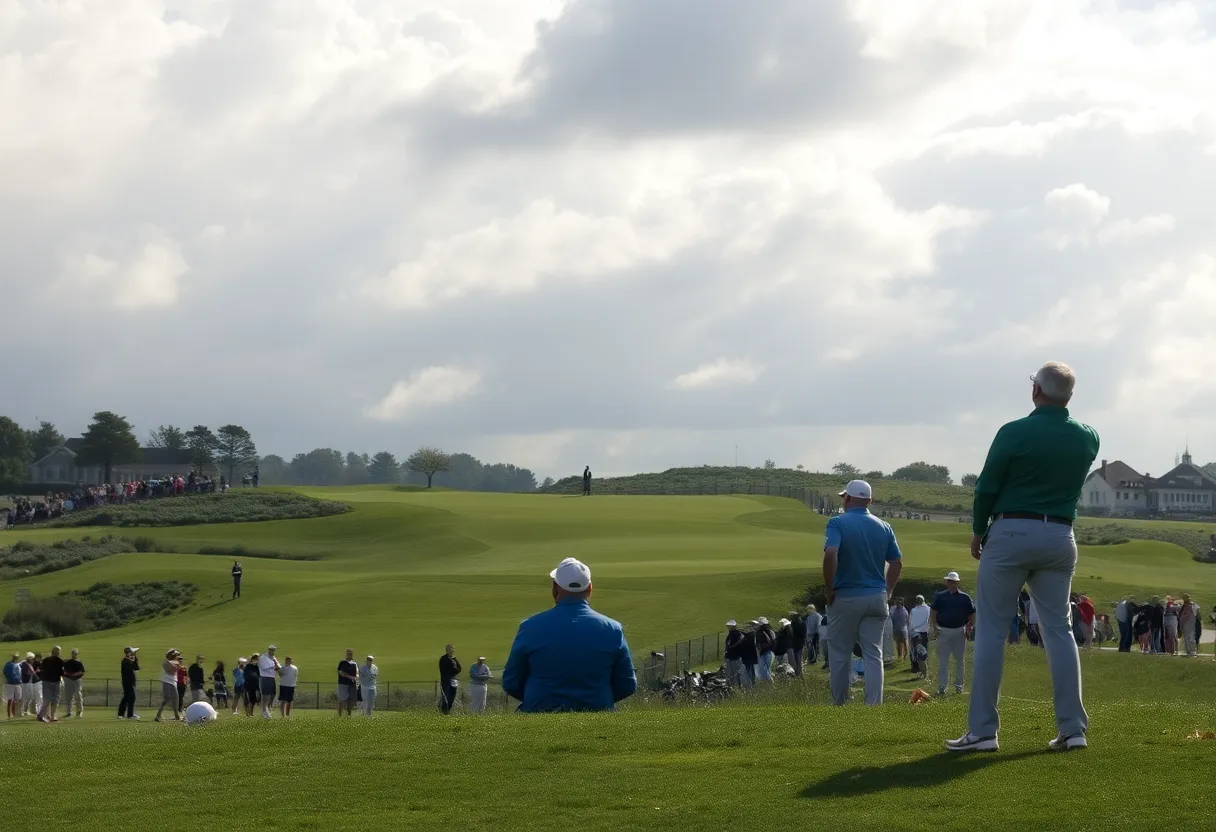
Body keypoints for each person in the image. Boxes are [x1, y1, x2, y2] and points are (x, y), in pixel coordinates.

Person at [949, 361, 1098, 754]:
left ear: (1036, 391)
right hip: (1060, 535)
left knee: (993, 631)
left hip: (1012, 531)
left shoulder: (1014, 432)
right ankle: (1072, 728)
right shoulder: (1088, 437)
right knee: (1059, 631)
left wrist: (978, 530)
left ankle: (982, 731)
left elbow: (986, 488)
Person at [502, 557, 637, 712]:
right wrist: (597, 703)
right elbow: (627, 684)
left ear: (555, 588)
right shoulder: (612, 629)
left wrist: (538, 700)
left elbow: (511, 682)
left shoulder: (530, 627)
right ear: (590, 588)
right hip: (597, 713)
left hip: (539, 713)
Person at [823, 480, 903, 706]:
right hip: (876, 597)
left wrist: (829, 589)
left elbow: (830, 554)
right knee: (873, 654)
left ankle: (840, 704)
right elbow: (896, 562)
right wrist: (888, 590)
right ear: (869, 501)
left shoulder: (837, 522)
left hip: (846, 596)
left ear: (847, 499)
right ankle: (873, 706)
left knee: (840, 653)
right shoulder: (884, 526)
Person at [931, 572, 975, 696]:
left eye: (953, 581)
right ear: (947, 582)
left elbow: (972, 613)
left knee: (959, 660)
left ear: (957, 582)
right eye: (949, 581)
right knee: (943, 661)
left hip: (959, 631)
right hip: (943, 631)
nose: (951, 583)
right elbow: (933, 611)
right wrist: (934, 626)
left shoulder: (965, 597)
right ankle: (942, 687)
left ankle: (959, 686)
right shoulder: (940, 596)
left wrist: (970, 626)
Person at [39, 645, 65, 723]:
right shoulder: (46, 660)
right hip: (47, 681)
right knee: (47, 700)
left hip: (56, 682)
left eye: (58, 650)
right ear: (53, 651)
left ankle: (52, 716)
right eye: (56, 650)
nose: (57, 652)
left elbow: (62, 672)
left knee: (55, 700)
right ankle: (42, 715)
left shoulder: (60, 661)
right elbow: (41, 669)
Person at [155, 649, 182, 722]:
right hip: (167, 682)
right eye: (177, 655)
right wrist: (177, 665)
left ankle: (177, 716)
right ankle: (158, 715)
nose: (178, 656)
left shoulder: (175, 662)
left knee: (175, 699)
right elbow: (172, 670)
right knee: (167, 698)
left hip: (173, 682)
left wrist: (178, 664)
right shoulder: (167, 663)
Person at [908, 596, 930, 675]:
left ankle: (922, 673)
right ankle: (922, 673)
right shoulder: (928, 609)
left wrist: (909, 634)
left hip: (915, 634)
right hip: (924, 634)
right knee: (923, 654)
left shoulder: (913, 610)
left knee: (918, 654)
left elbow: (911, 623)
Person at [258, 645, 281, 718]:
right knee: (266, 695)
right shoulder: (263, 657)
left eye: (274, 650)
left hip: (271, 678)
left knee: (272, 695)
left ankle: (267, 709)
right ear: (268, 650)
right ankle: (264, 711)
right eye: (271, 650)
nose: (272, 651)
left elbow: (278, 667)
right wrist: (274, 666)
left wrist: (275, 666)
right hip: (265, 677)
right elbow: (264, 667)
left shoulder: (274, 658)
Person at [118, 647, 140, 720]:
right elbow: (132, 666)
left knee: (127, 697)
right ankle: (130, 715)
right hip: (128, 682)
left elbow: (137, 667)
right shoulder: (125, 661)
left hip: (131, 682)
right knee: (131, 697)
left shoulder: (129, 660)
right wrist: (133, 658)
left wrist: (135, 658)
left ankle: (121, 714)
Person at [62, 648, 85, 718]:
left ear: (77, 654)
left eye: (75, 653)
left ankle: (79, 711)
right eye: (73, 653)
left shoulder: (79, 663)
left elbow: (82, 672)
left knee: (77, 695)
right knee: (69, 696)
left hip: (76, 680)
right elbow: (63, 671)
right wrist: (67, 675)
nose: (74, 654)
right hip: (68, 680)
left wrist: (74, 674)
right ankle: (69, 712)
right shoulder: (67, 662)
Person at [439, 645, 461, 714]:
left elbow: (459, 669)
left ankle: (447, 711)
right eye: (450, 649)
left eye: (453, 649)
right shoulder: (443, 659)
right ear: (447, 650)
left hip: (454, 679)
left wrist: (454, 669)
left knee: (452, 696)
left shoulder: (454, 659)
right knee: (446, 696)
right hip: (446, 680)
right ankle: (443, 711)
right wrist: (453, 668)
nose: (452, 650)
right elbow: (444, 669)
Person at [723, 620, 745, 687]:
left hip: (735, 657)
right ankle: (731, 687)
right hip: (730, 657)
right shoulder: (731, 634)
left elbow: (737, 644)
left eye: (729, 627)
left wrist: (730, 648)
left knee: (735, 674)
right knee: (730, 674)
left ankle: (736, 687)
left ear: (733, 627)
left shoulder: (737, 634)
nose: (728, 628)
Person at [337, 649, 358, 716]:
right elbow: (340, 672)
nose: (350, 655)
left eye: (351, 654)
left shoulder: (354, 663)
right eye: (348, 654)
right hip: (343, 684)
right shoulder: (342, 662)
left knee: (353, 699)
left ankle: (349, 712)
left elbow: (357, 672)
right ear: (346, 654)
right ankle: (340, 715)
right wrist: (349, 677)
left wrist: (357, 677)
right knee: (343, 700)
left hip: (352, 684)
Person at [738, 621, 759, 688]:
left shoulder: (752, 635)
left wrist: (740, 631)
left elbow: (747, 635)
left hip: (748, 655)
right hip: (750, 655)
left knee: (748, 670)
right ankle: (752, 683)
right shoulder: (752, 634)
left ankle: (750, 684)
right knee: (751, 669)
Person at [754, 617, 776, 682]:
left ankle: (769, 683)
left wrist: (758, 656)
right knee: (767, 669)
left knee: (763, 670)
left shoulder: (758, 633)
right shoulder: (770, 631)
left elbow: (758, 646)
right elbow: (773, 641)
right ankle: (770, 683)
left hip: (762, 654)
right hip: (769, 652)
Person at [5, 653, 23, 719]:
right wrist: (17, 680)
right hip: (12, 683)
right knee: (11, 699)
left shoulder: (14, 664)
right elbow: (10, 674)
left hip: (15, 683)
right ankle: (10, 715)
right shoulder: (10, 665)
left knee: (16, 699)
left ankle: (13, 714)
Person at [789, 611, 808, 676]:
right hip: (800, 643)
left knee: (798, 659)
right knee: (798, 659)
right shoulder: (802, 623)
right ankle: (799, 672)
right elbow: (804, 634)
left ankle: (799, 673)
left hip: (796, 643)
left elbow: (792, 634)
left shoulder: (794, 624)